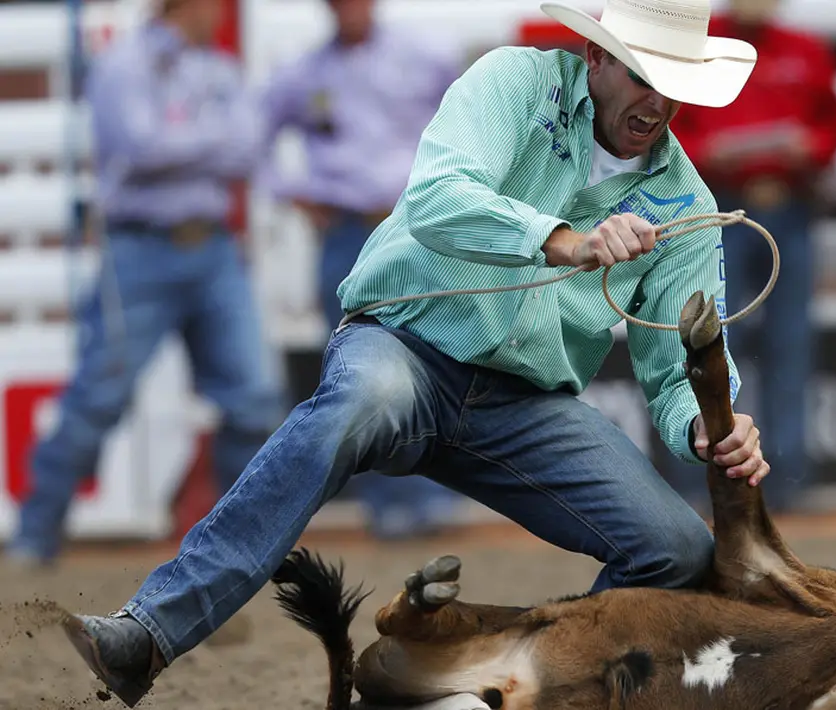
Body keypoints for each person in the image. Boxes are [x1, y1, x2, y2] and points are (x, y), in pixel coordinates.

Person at [60, 0, 770, 705]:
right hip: (404, 342)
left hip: (523, 401)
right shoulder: (515, 83)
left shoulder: (686, 205)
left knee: (676, 551)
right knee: (352, 407)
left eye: (674, 82)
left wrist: (707, 427)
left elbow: (676, 367)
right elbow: (436, 197)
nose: (658, 101)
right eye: (644, 75)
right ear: (596, 58)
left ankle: (499, 684)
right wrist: (562, 238)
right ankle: (149, 632)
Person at [4, 0, 283, 569]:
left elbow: (246, 147)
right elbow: (142, 147)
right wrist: (213, 140)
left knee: (253, 396)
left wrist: (182, 140)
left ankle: (240, 546)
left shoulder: (215, 69)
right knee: (100, 396)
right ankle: (34, 537)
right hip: (139, 250)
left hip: (210, 246)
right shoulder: (124, 65)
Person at [258, 0, 466, 540]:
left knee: (436, 355)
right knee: (360, 367)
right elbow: (249, 139)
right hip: (349, 229)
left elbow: (475, 117)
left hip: (417, 225)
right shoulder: (304, 74)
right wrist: (294, 193)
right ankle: (391, 505)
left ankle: (428, 500)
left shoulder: (424, 58)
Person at [670, 0, 836, 513]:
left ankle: (788, 478)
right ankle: (707, 469)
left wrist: (812, 145)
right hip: (714, 205)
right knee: (710, 344)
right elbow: (667, 123)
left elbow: (834, 124)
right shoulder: (695, 47)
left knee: (791, 342)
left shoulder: (805, 51)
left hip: (787, 204)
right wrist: (706, 152)